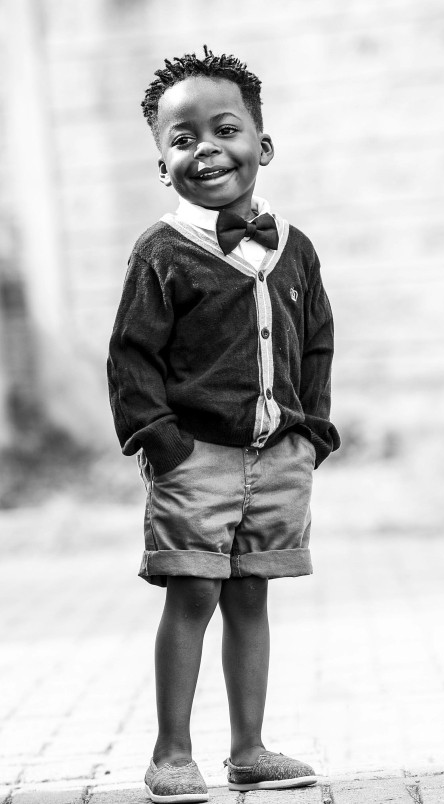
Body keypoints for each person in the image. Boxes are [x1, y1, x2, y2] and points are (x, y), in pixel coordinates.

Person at [107, 45, 340, 804]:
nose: (205, 148)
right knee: (194, 595)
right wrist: (161, 444)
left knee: (251, 597)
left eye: (224, 129)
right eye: (181, 139)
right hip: (196, 457)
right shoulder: (162, 252)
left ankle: (249, 748)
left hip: (278, 455)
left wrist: (312, 430)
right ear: (162, 163)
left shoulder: (294, 249)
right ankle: (172, 753)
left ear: (262, 146)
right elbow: (133, 357)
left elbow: (317, 341)